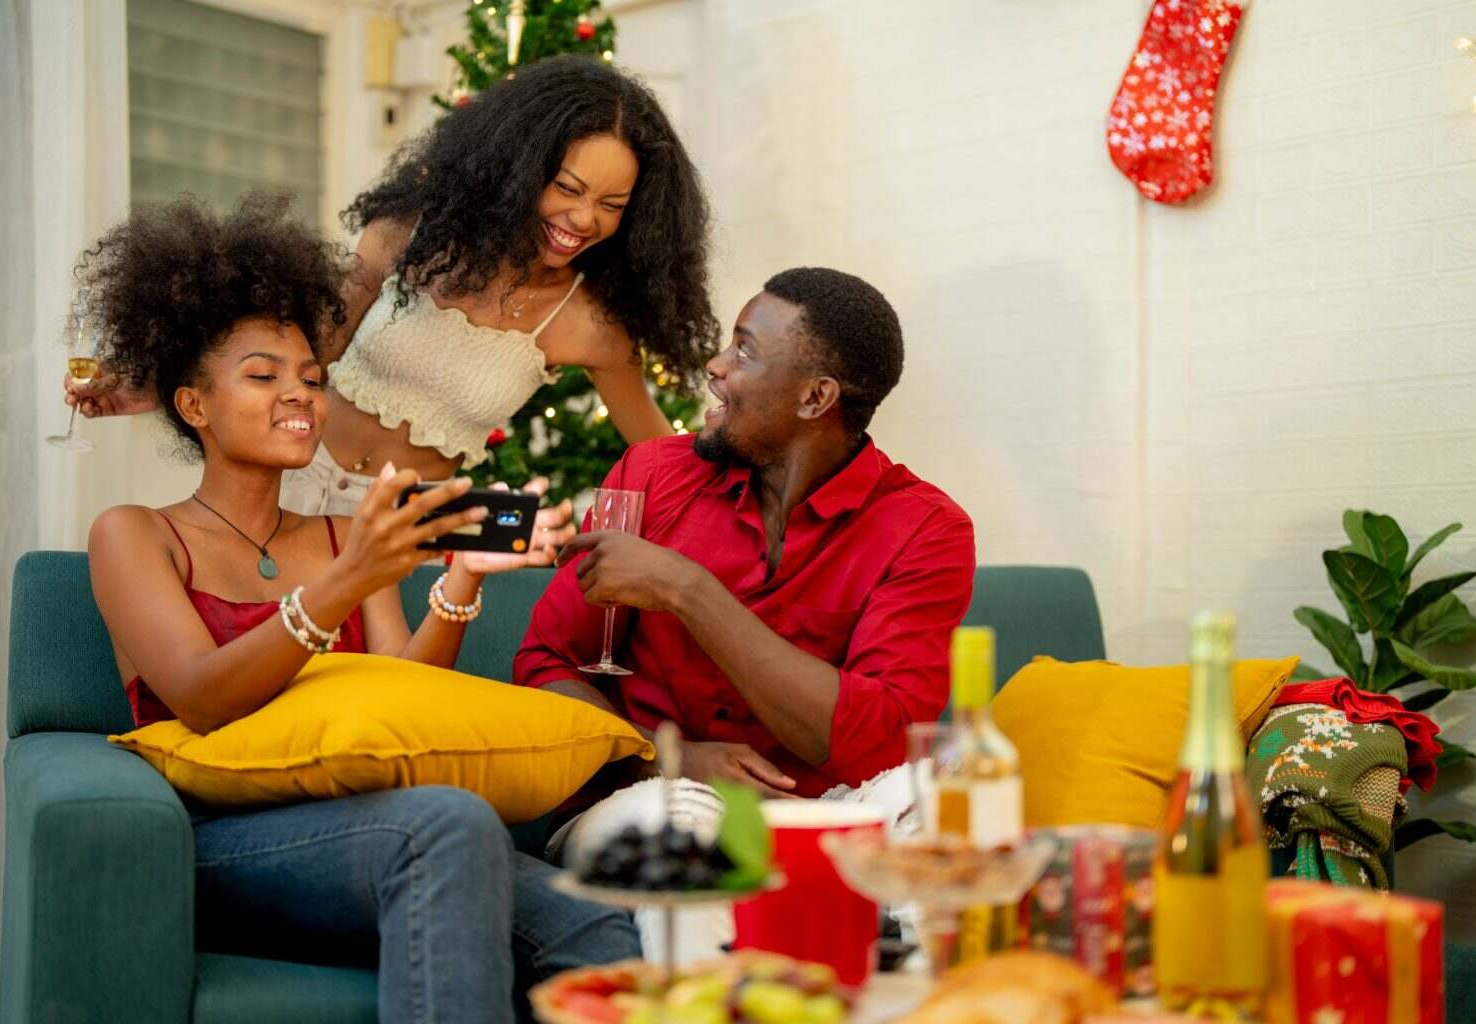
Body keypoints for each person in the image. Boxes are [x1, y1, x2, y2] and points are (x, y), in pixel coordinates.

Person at [80, 194, 638, 1023]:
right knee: (448, 826)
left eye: (312, 377)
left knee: (601, 920)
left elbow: (401, 693)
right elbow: (200, 695)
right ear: (194, 406)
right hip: (219, 840)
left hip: (372, 826)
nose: (300, 395)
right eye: (263, 377)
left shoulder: (348, 533)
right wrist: (344, 582)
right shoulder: (135, 535)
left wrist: (461, 583)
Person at [66, 54, 719, 517]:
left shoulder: (589, 325)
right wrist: (149, 388)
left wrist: (759, 476)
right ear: (519, 169)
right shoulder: (411, 233)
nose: (583, 220)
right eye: (568, 188)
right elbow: (307, 350)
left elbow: (662, 454)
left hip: (405, 530)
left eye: (612, 203)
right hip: (291, 487)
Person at [513, 265, 976, 842]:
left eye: (744, 351)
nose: (716, 365)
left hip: (825, 805)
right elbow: (545, 664)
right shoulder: (651, 475)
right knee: (684, 835)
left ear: (815, 397)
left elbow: (880, 742)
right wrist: (662, 757)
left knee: (938, 811)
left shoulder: (924, 529)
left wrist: (687, 589)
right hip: (641, 791)